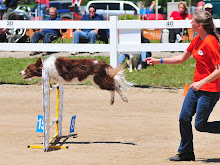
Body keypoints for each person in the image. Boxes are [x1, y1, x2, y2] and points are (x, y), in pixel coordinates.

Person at [145, 10, 220, 161]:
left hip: (210, 90)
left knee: (200, 125)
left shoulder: (210, 42)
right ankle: (186, 152)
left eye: (192, 21)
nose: (189, 22)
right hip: (196, 87)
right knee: (183, 118)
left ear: (199, 25)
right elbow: (181, 58)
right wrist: (159, 61)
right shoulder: (197, 39)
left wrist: (202, 82)